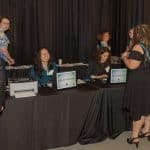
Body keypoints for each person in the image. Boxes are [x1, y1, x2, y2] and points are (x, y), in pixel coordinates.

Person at [121, 24, 150, 148]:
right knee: (147, 107)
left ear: (138, 34)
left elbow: (132, 66)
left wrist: (124, 58)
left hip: (139, 82)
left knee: (138, 109)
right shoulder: (148, 45)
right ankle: (147, 130)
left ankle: (134, 137)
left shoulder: (138, 46)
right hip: (148, 80)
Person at [0, 16, 15, 113]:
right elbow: (3, 50)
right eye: (4, 22)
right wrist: (10, 59)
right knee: (2, 83)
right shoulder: (1, 34)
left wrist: (7, 60)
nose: (7, 25)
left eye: (8, 23)